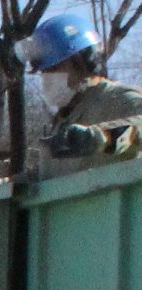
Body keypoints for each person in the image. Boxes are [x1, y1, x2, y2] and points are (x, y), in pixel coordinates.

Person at [23, 11, 142, 173]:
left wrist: (104, 137)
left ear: (85, 62)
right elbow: (47, 182)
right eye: (43, 72)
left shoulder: (118, 99)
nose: (46, 78)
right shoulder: (63, 123)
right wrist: (1, 187)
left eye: (54, 68)